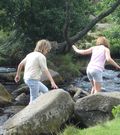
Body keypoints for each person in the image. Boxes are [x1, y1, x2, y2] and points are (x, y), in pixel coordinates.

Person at [15, 39, 58, 104]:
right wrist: (52, 82)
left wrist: (17, 75)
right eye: (47, 50)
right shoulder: (41, 56)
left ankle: (40, 104)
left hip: (27, 78)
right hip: (33, 80)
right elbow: (46, 70)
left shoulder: (30, 54)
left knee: (45, 91)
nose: (47, 52)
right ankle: (30, 111)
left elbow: (20, 64)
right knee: (33, 99)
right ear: (44, 48)